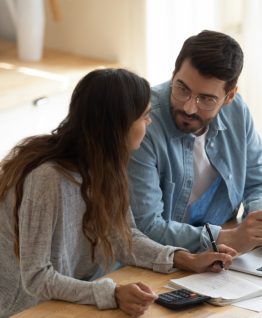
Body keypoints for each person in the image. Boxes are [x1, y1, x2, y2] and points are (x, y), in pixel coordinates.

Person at [0, 68, 236, 318]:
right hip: (23, 309)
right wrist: (111, 294)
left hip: (66, 301)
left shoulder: (108, 165)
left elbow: (123, 238)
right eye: (144, 116)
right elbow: (36, 278)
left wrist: (185, 259)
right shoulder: (47, 178)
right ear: (119, 124)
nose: (150, 122)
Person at [128, 30, 262, 254]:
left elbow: (259, 182)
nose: (189, 107)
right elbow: (146, 227)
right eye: (182, 89)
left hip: (221, 256)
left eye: (206, 99)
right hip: (163, 260)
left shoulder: (237, 111)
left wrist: (261, 221)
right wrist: (227, 238)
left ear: (229, 97)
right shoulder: (143, 123)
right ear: (173, 75)